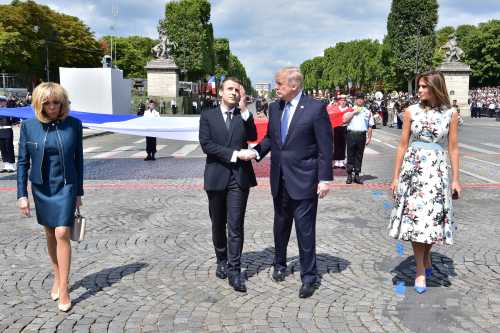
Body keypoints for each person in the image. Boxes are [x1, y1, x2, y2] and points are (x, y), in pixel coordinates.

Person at [252, 67, 333, 298]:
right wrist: (255, 152)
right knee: (280, 226)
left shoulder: (316, 109)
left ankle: (309, 276)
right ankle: (279, 263)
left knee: (305, 230)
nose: (275, 88)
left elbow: (325, 147)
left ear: (294, 85)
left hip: (305, 179)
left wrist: (325, 179)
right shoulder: (274, 108)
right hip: (279, 178)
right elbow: (270, 138)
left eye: (278, 84)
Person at [388, 71, 461, 294]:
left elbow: (454, 147)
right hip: (414, 170)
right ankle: (420, 268)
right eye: (418, 87)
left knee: (433, 218)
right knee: (415, 219)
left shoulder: (451, 113)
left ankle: (426, 254)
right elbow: (402, 145)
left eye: (422, 87)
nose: (419, 90)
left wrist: (456, 179)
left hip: (437, 171)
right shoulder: (410, 111)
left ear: (435, 87)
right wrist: (395, 176)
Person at [16, 82, 84, 312]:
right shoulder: (28, 126)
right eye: (48, 103)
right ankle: (57, 276)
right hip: (41, 188)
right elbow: (23, 163)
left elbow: (79, 161)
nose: (53, 107)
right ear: (39, 103)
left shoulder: (74, 125)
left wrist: (78, 193)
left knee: (62, 232)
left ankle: (63, 287)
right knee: (49, 233)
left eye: (57, 102)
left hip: (66, 185)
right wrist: (21, 195)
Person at [199, 77, 257, 293]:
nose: (234, 92)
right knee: (218, 224)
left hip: (239, 179)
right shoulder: (208, 116)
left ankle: (235, 270)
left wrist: (244, 111)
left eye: (237, 90)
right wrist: (235, 154)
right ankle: (221, 259)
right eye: (230, 89)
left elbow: (252, 136)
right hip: (216, 177)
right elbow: (206, 145)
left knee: (235, 225)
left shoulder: (242, 116)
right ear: (221, 92)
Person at [343, 93, 374, 184]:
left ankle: (357, 175)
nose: (360, 100)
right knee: (350, 155)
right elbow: (344, 120)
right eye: (358, 99)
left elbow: (370, 126)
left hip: (361, 135)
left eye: (361, 99)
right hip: (351, 134)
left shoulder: (367, 112)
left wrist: (369, 137)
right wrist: (353, 113)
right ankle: (349, 175)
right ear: (355, 100)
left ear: (364, 100)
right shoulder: (350, 109)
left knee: (359, 155)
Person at [328, 95, 350, 168]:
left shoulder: (349, 109)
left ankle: (342, 161)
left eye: (344, 100)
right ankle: (336, 161)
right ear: (339, 101)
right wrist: (331, 104)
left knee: (343, 145)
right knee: (336, 144)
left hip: (344, 127)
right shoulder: (336, 108)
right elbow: (328, 110)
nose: (342, 102)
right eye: (341, 100)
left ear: (346, 101)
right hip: (336, 127)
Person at [0, 95, 17, 172]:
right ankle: (6, 165)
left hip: (7, 130)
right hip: (0, 131)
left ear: (5, 102)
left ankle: (11, 165)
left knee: (9, 147)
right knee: (3, 148)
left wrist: (11, 117)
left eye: (2, 101)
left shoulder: (9, 110)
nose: (0, 103)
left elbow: (14, 120)